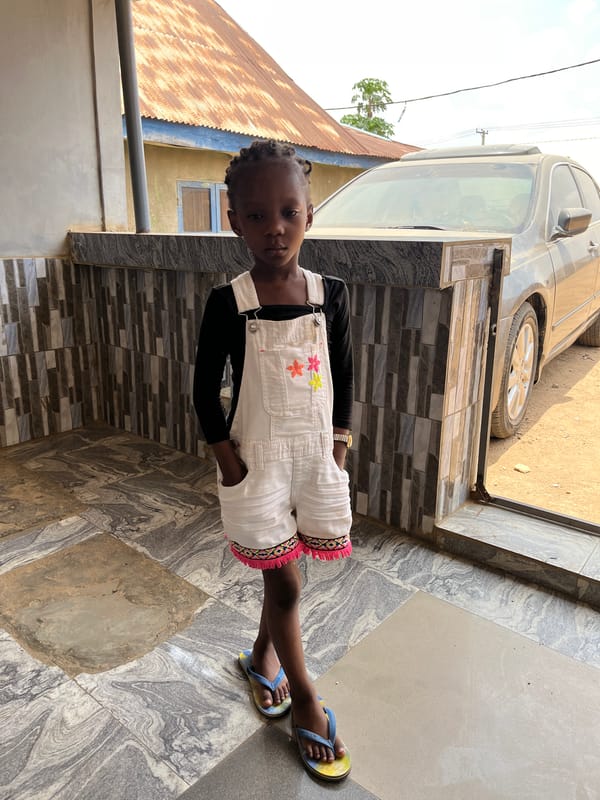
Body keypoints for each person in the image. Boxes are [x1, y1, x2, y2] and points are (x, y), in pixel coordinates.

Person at [193, 139, 353, 782]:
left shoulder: (330, 294)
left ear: (309, 214)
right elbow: (205, 391)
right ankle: (306, 702)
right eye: (256, 215)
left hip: (316, 457)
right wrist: (232, 467)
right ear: (234, 221)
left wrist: (338, 448)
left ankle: (263, 661)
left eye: (289, 211)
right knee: (283, 580)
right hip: (256, 464)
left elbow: (343, 374)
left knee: (288, 575)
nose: (275, 227)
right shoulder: (228, 302)